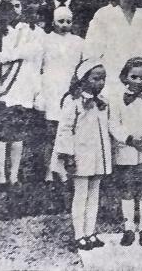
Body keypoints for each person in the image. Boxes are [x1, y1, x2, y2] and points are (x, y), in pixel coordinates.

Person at [54, 59, 112, 252]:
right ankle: (79, 234)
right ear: (83, 79)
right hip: (81, 155)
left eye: (103, 79)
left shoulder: (102, 102)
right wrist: (68, 156)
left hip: (98, 156)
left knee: (94, 194)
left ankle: (90, 232)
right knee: (81, 195)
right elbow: (65, 130)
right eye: (96, 78)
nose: (100, 82)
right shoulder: (73, 101)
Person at [0, 0, 45, 186]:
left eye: (18, 6)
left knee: (17, 133)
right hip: (0, 88)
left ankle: (13, 175)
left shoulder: (31, 31)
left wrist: (7, 56)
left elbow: (33, 51)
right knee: (0, 133)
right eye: (11, 6)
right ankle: (1, 176)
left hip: (22, 87)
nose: (15, 10)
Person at [109, 57, 142, 247]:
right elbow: (114, 124)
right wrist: (130, 139)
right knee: (128, 190)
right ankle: (129, 228)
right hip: (127, 151)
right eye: (134, 77)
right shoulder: (117, 100)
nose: (138, 81)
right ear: (125, 77)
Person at [41, 7, 85, 182]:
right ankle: (49, 170)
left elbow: (82, 66)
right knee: (52, 132)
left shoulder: (79, 42)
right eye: (61, 21)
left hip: (70, 90)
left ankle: (66, 168)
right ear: (53, 22)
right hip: (51, 89)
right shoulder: (45, 40)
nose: (65, 25)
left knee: (68, 131)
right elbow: (40, 65)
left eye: (68, 21)